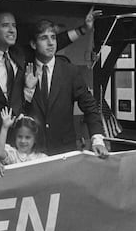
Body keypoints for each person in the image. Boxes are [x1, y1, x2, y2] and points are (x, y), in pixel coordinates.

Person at [0, 8, 98, 155]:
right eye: (5, 25)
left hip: (24, 147)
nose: (12, 30)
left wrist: (83, 29)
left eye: (14, 25)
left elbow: (51, 44)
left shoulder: (17, 55)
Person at [23, 19, 108, 157]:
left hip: (64, 151)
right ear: (33, 44)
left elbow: (90, 106)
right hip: (33, 153)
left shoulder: (70, 71)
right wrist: (28, 92)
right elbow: (20, 112)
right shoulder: (24, 71)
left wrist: (97, 140)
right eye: (44, 38)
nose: (51, 43)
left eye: (53, 37)